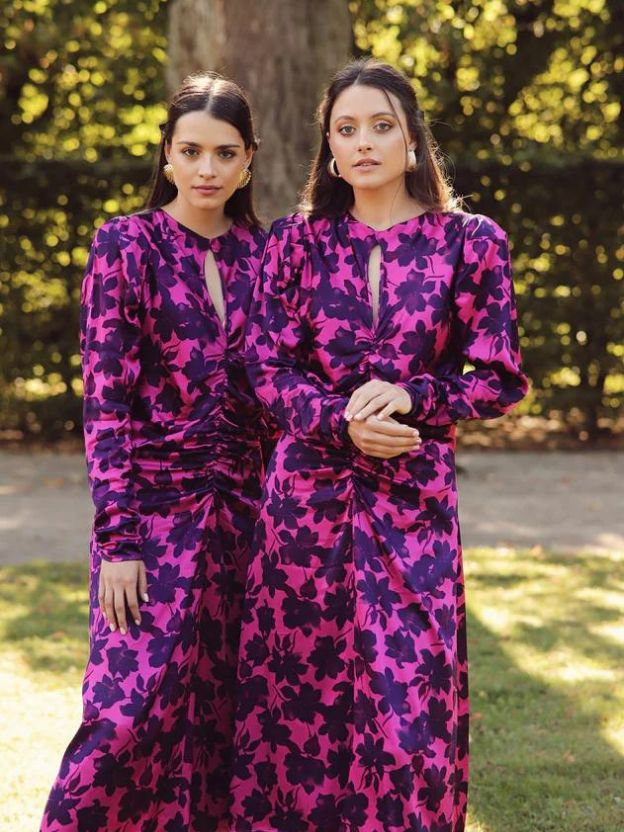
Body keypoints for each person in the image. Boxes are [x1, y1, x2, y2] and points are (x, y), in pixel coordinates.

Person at [230, 58, 529, 832]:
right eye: (347, 129)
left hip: (414, 502)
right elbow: (262, 366)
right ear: (330, 150)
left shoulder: (472, 242)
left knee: (411, 718)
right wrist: (338, 421)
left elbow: (499, 377)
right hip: (304, 506)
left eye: (382, 125)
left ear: (411, 139)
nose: (365, 142)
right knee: (297, 714)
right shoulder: (294, 243)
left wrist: (415, 395)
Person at [41, 72, 267, 832]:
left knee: (225, 726)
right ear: (167, 156)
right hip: (152, 521)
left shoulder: (267, 257)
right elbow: (105, 404)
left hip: (249, 521)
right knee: (124, 718)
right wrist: (118, 542)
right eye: (192, 150)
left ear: (248, 162)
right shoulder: (125, 245)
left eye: (225, 153)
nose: (208, 168)